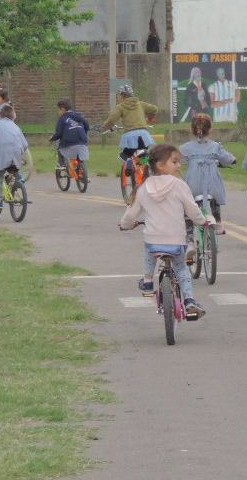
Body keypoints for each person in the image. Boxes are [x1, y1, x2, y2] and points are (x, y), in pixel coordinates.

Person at [119, 144, 214, 318]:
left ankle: (148, 281)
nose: (179, 165)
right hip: (176, 240)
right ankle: (189, 301)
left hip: (154, 241)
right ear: (161, 165)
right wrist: (202, 221)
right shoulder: (179, 185)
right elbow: (192, 210)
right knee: (182, 269)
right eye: (175, 161)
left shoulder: (143, 187)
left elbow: (130, 215)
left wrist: (124, 225)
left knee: (149, 247)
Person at [179, 114, 236, 257]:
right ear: (210, 130)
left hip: (193, 184)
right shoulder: (215, 146)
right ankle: (218, 222)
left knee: (188, 208)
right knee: (215, 197)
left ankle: (190, 240)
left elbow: (177, 159)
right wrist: (232, 160)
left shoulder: (185, 148)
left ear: (193, 130)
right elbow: (227, 158)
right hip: (211, 185)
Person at [101, 85, 158, 165]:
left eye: (118, 95)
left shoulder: (120, 107)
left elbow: (112, 119)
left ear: (122, 95)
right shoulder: (140, 104)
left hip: (130, 135)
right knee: (142, 153)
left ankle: (129, 165)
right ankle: (144, 170)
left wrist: (105, 127)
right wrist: (150, 118)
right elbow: (154, 109)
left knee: (125, 154)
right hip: (143, 134)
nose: (117, 98)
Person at [49, 99, 90, 166]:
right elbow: (87, 126)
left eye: (58, 110)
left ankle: (61, 163)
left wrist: (52, 138)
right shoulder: (79, 115)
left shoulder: (62, 119)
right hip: (83, 142)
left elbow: (58, 133)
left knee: (58, 146)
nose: (58, 112)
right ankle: (79, 166)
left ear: (62, 109)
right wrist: (84, 134)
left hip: (68, 143)